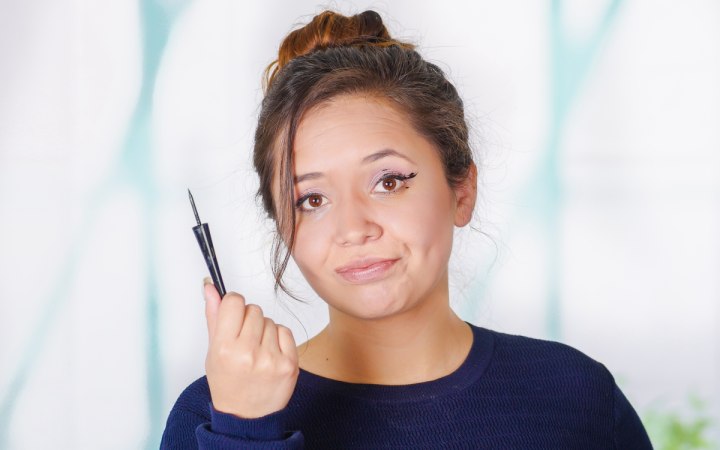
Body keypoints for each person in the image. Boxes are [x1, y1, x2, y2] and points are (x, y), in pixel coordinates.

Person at [161, 10, 653, 449]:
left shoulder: (575, 395)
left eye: (388, 182)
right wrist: (246, 431)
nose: (353, 229)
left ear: (461, 191)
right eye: (312, 199)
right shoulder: (213, 417)